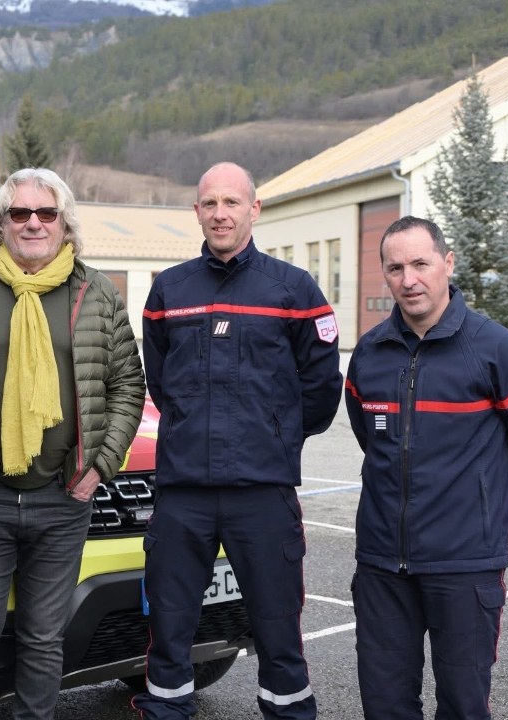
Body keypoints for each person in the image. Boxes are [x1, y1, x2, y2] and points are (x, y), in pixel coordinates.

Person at [0, 167, 146, 720]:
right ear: (1, 224)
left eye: (46, 213)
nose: (34, 223)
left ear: (65, 224)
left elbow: (127, 385)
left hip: (62, 500)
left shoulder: (98, 294)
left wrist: (99, 467)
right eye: (21, 213)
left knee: (45, 638)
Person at [136, 162, 342, 720]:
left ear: (255, 209)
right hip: (184, 493)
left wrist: (274, 436)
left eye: (232, 203)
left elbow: (322, 390)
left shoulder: (293, 290)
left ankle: (289, 711)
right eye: (209, 204)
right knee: (170, 623)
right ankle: (167, 711)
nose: (220, 213)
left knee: (277, 625)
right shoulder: (169, 291)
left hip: (262, 491)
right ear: (197, 212)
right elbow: (159, 379)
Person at [344, 216, 508, 720]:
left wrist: (480, 493)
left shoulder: (501, 352)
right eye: (395, 268)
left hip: (464, 566)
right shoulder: (370, 355)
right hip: (381, 565)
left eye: (420, 263)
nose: (409, 279)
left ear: (447, 263)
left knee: (463, 707)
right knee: (384, 706)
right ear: (385, 274)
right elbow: (371, 439)